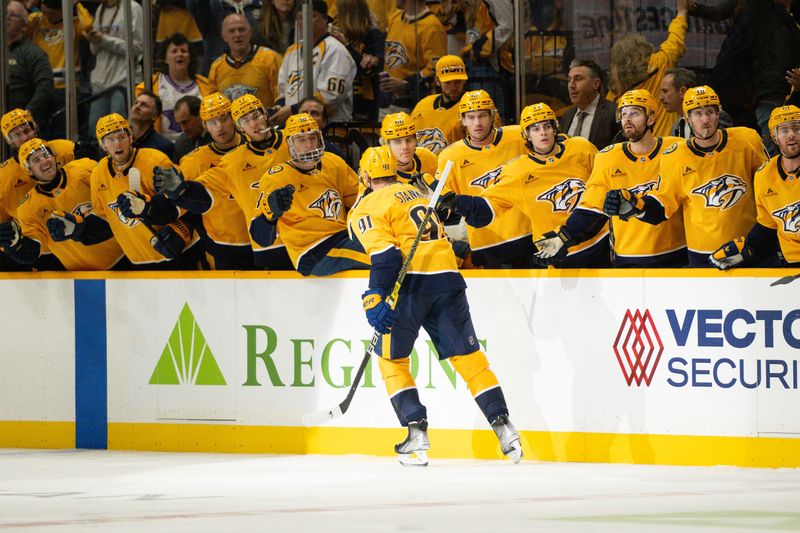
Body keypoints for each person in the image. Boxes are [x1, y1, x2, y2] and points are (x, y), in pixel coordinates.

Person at [348, 145, 522, 466]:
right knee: (470, 360)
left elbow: (386, 256)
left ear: (367, 176)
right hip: (448, 281)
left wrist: (375, 295)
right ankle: (504, 427)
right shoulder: (418, 195)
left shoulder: (368, 205)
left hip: (411, 287)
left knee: (392, 359)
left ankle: (416, 434)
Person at [604, 86, 768, 267]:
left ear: (718, 114)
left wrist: (759, 240)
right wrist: (636, 205)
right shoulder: (675, 155)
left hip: (749, 249)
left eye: (709, 112)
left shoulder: (747, 140)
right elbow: (662, 206)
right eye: (698, 114)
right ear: (687, 119)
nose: (705, 120)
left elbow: (770, 190)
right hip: (701, 256)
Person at [440, 103, 609, 268]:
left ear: (555, 128)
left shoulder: (581, 148)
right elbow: (487, 207)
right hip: (560, 254)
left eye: (546, 126)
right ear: (526, 135)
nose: (543, 133)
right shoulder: (517, 171)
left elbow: (604, 186)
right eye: (535, 129)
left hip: (602, 242)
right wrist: (457, 203)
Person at [536, 90, 688, 268]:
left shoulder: (675, 149)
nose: (628, 118)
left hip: (675, 256)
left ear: (651, 118)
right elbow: (592, 206)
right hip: (628, 258)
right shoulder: (608, 157)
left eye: (635, 113)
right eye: (624, 113)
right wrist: (565, 237)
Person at [155, 94, 294, 269]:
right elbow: (202, 195)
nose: (219, 127)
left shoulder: (292, 140)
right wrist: (180, 191)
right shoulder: (229, 161)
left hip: (298, 241)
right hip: (241, 248)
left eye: (223, 119)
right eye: (245, 119)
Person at [51, 113, 198, 270]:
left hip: (182, 253)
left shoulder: (155, 160)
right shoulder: (99, 174)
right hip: (139, 262)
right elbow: (106, 221)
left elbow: (182, 201)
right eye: (110, 139)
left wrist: (181, 229)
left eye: (121, 136)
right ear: (102, 145)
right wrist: (78, 229)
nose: (117, 144)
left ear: (131, 137)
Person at [251, 113, 369, 275]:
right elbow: (261, 238)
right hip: (312, 251)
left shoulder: (333, 162)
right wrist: (269, 215)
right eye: (301, 140)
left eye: (312, 138)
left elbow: (362, 201)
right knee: (378, 256)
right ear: (290, 144)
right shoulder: (276, 178)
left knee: (385, 246)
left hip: (342, 238)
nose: (309, 145)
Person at [435, 90, 530, 267]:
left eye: (482, 116)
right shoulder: (450, 157)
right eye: (470, 117)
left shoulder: (519, 137)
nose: (477, 123)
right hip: (486, 245)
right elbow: (444, 205)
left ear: (492, 116)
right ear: (462, 120)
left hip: (529, 237)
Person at [0, 138, 126, 270]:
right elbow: (33, 252)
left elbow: (114, 209)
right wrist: (16, 245)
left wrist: (79, 227)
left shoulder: (85, 168)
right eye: (36, 160)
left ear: (54, 157)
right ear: (29, 170)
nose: (44, 161)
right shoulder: (28, 208)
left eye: (46, 155)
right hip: (79, 276)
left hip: (124, 257)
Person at [710, 105, 800, 269]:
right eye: (784, 130)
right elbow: (767, 227)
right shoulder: (764, 174)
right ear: (775, 137)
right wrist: (747, 247)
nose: (792, 134)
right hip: (791, 264)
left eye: (796, 128)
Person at [174, 93, 252, 269]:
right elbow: (179, 204)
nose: (219, 127)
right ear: (205, 126)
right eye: (212, 122)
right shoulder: (195, 161)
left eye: (223, 118)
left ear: (233, 118)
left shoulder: (255, 147)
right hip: (222, 249)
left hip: (263, 243)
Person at [607, 0, 688, 137]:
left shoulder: (615, 90)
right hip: (667, 144)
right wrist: (682, 12)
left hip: (634, 150)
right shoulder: (660, 63)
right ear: (642, 49)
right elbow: (676, 40)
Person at [271, 0, 357, 125]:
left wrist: (293, 110)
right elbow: (283, 89)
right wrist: (280, 108)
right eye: (300, 17)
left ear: (324, 19)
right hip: (296, 129)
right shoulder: (291, 51)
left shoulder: (335, 50)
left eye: (311, 16)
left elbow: (331, 96)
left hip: (330, 129)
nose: (304, 21)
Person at [135, 32, 215, 141]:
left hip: (199, 145)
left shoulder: (207, 86)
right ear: (165, 58)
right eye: (174, 51)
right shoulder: (149, 86)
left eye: (183, 51)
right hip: (163, 148)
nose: (179, 54)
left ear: (189, 58)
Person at [1, 109, 76, 219]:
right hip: (32, 233)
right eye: (17, 135)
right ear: (10, 141)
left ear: (35, 129)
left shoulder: (65, 149)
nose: (25, 138)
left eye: (27, 131)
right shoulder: (3, 177)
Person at [84, 0, 144, 130]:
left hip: (123, 82)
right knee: (95, 134)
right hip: (100, 83)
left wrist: (103, 39)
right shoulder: (101, 8)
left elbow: (138, 47)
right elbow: (94, 50)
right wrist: (93, 39)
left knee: (119, 131)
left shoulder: (133, 8)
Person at [380, 0, 447, 114]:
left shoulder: (432, 27)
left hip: (411, 105)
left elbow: (436, 67)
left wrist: (407, 84)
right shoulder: (396, 17)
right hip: (386, 101)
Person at [208, 13, 282, 110]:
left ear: (250, 32)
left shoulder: (271, 58)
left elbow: (282, 97)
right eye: (232, 31)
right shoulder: (216, 67)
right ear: (224, 36)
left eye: (241, 30)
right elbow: (213, 107)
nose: (237, 34)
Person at [332, 0, 386, 121]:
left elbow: (367, 70)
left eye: (339, 12)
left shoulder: (373, 35)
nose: (336, 16)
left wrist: (346, 46)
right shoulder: (339, 37)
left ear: (348, 15)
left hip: (365, 103)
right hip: (342, 103)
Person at [6, 1, 55, 128]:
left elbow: (45, 86)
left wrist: (28, 113)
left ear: (24, 24)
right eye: (5, 14)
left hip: (20, 126)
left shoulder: (32, 52)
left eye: (14, 15)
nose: (7, 18)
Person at [410, 55, 472, 154]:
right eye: (447, 82)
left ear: (464, 80)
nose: (453, 87)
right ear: (437, 81)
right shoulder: (423, 105)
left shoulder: (474, 106)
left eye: (457, 82)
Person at [561, 59, 619, 150]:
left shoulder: (613, 113)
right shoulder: (567, 115)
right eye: (569, 80)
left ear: (595, 84)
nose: (571, 85)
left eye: (578, 79)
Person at [659, 68, 733, 138]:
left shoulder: (717, 117)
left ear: (682, 91)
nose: (660, 98)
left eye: (665, 91)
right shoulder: (676, 126)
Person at [380, 112, 438, 194]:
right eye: (397, 142)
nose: (405, 147)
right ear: (386, 144)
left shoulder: (428, 157)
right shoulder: (377, 171)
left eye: (409, 140)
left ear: (416, 140)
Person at [129, 91, 176, 161]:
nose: (137, 106)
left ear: (154, 116)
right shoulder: (122, 142)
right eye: (136, 103)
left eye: (144, 105)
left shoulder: (164, 147)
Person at [173, 95, 211, 161]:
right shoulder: (180, 144)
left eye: (185, 122)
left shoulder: (220, 136)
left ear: (200, 115)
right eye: (179, 124)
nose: (183, 129)